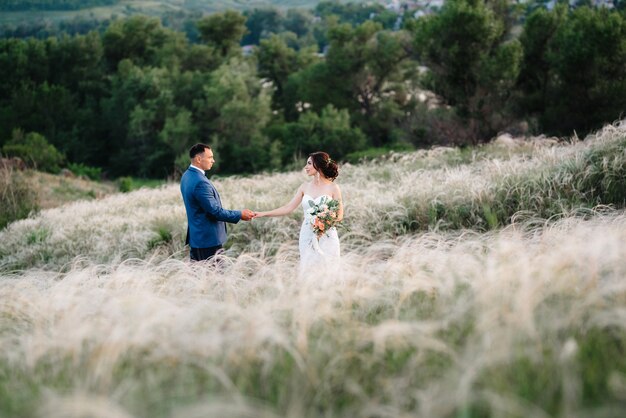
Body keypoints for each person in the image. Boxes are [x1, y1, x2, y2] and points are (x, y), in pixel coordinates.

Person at [256, 151, 343, 270]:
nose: (305, 167)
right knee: (308, 268)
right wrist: (263, 214)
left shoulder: (333, 187)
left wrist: (324, 224)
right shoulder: (304, 187)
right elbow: (288, 208)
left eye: (309, 163)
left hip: (327, 234)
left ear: (318, 165)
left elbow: (339, 215)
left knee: (329, 268)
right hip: (307, 233)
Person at [180, 143, 255, 261]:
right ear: (199, 159)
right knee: (216, 278)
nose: (213, 160)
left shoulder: (186, 176)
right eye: (210, 157)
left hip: (197, 239)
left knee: (199, 277)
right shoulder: (200, 182)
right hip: (207, 242)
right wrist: (240, 214)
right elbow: (215, 212)